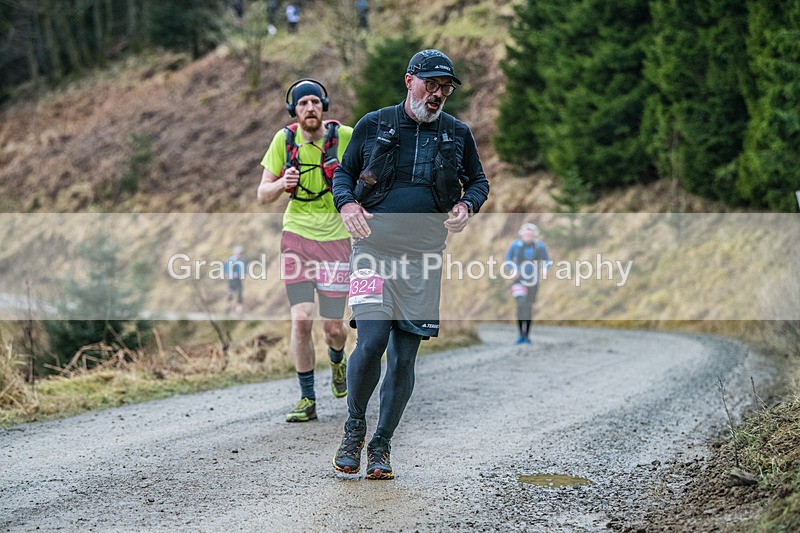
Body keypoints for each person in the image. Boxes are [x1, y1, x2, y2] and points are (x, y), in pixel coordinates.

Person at [331, 49, 490, 479]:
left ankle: (381, 446)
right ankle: (354, 428)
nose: (438, 94)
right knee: (372, 339)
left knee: (404, 358)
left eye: (445, 87)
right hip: (372, 252)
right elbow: (343, 174)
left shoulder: (457, 133)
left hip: (423, 260)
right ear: (409, 81)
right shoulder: (375, 123)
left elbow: (478, 181)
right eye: (431, 84)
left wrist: (465, 205)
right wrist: (346, 205)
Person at [258, 79, 354, 422]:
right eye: (303, 103)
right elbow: (262, 194)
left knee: (332, 327)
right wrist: (280, 184)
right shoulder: (283, 141)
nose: (310, 108)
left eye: (315, 102)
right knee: (300, 320)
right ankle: (307, 398)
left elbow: (371, 173)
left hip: (335, 240)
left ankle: (337, 359)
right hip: (296, 236)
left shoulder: (345, 136)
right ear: (293, 110)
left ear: (324, 105)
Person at [505, 223, 551, 344]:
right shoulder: (515, 245)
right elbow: (508, 259)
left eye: (531, 234)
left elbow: (547, 260)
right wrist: (512, 269)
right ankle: (520, 334)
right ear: (522, 235)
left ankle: (527, 336)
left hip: (533, 281)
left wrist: (545, 269)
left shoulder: (539, 247)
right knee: (521, 305)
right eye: (526, 234)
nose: (528, 236)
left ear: (534, 235)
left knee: (529, 307)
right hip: (519, 281)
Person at [225, 245, 246, 316]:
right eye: (238, 253)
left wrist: (243, 275)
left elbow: (244, 271)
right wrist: (231, 274)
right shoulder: (230, 260)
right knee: (230, 295)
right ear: (235, 253)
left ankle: (239, 312)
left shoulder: (242, 260)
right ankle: (227, 309)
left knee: (240, 295)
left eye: (240, 253)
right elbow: (226, 270)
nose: (239, 254)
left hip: (239, 280)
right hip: (232, 280)